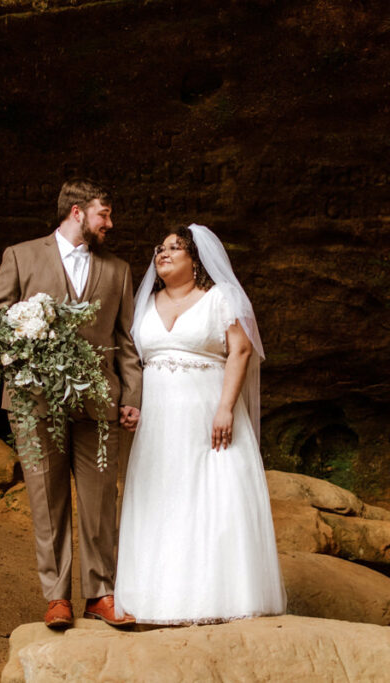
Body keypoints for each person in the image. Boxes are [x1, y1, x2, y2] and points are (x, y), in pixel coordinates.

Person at [0, 178, 142, 629]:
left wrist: (130, 397)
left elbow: (125, 340)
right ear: (77, 213)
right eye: (104, 214)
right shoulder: (21, 255)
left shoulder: (118, 270)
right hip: (35, 403)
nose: (109, 223)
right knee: (46, 501)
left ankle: (100, 593)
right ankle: (57, 597)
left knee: (98, 502)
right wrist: (30, 342)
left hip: (98, 403)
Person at [114, 223, 286, 624]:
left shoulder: (219, 298)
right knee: (160, 499)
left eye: (175, 248)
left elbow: (241, 350)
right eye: (160, 248)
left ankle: (218, 600)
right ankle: (154, 600)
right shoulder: (144, 303)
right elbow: (131, 361)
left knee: (212, 498)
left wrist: (226, 408)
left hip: (208, 415)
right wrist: (130, 404)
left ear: (196, 260)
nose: (163, 253)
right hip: (157, 423)